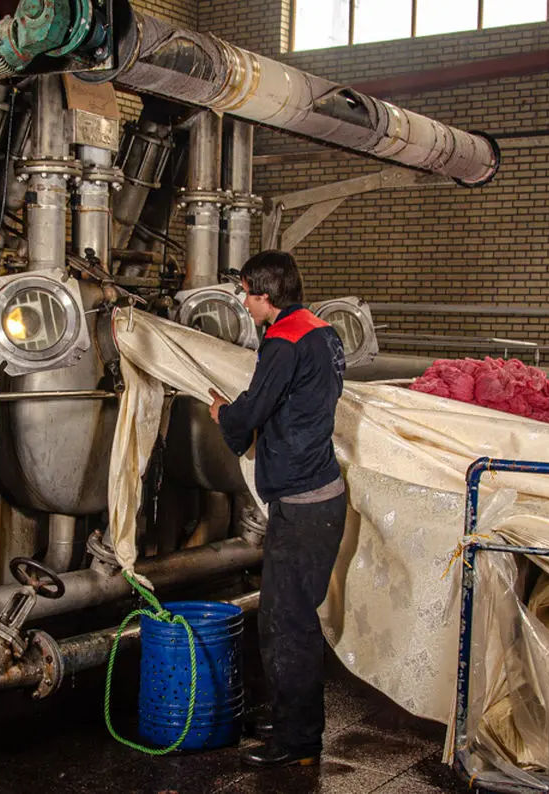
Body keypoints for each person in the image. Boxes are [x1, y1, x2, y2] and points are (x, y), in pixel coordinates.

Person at [208, 250, 348, 768]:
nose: (243, 303)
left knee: (286, 622)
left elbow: (254, 407)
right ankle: (291, 718)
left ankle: (298, 742)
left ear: (265, 295)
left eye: (246, 293)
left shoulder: (282, 342)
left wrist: (224, 415)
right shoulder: (321, 331)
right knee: (290, 617)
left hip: (301, 503)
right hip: (323, 496)